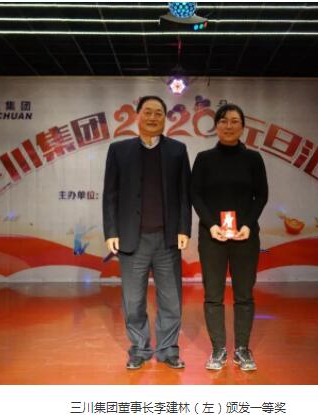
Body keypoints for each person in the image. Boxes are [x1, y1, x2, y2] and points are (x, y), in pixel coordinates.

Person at [102, 95, 191, 370]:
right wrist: (111, 231)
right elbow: (110, 194)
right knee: (133, 300)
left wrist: (184, 228)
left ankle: (168, 350)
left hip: (167, 240)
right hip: (132, 239)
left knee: (171, 299)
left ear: (165, 118)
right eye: (148, 112)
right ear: (137, 116)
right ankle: (139, 349)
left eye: (159, 113)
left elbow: (184, 194)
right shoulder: (119, 150)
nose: (153, 117)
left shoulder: (177, 150)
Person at [191, 103, 268, 371]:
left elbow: (262, 196)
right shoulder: (204, 159)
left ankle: (242, 350)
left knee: (244, 294)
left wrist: (247, 224)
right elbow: (195, 195)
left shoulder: (253, 159)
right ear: (216, 126)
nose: (228, 126)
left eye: (234, 121)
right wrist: (211, 225)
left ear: (242, 126)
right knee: (213, 295)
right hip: (212, 236)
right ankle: (219, 350)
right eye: (223, 121)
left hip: (245, 236)